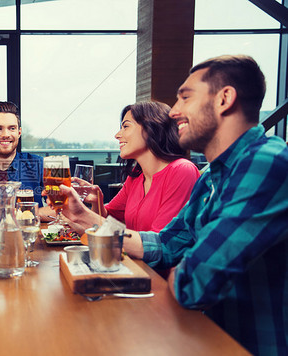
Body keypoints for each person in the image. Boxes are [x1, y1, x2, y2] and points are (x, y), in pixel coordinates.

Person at [62, 55, 288, 354]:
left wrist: (179, 264)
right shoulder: (210, 178)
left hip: (245, 345)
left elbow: (194, 283)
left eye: (185, 97)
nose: (174, 112)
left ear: (225, 98)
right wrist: (90, 219)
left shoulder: (266, 161)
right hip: (199, 335)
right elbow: (167, 244)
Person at [75, 101, 199, 232]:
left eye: (126, 127)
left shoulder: (182, 171)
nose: (117, 135)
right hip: (129, 253)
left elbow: (159, 242)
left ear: (151, 128)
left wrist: (81, 213)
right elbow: (106, 220)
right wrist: (96, 202)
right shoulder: (137, 175)